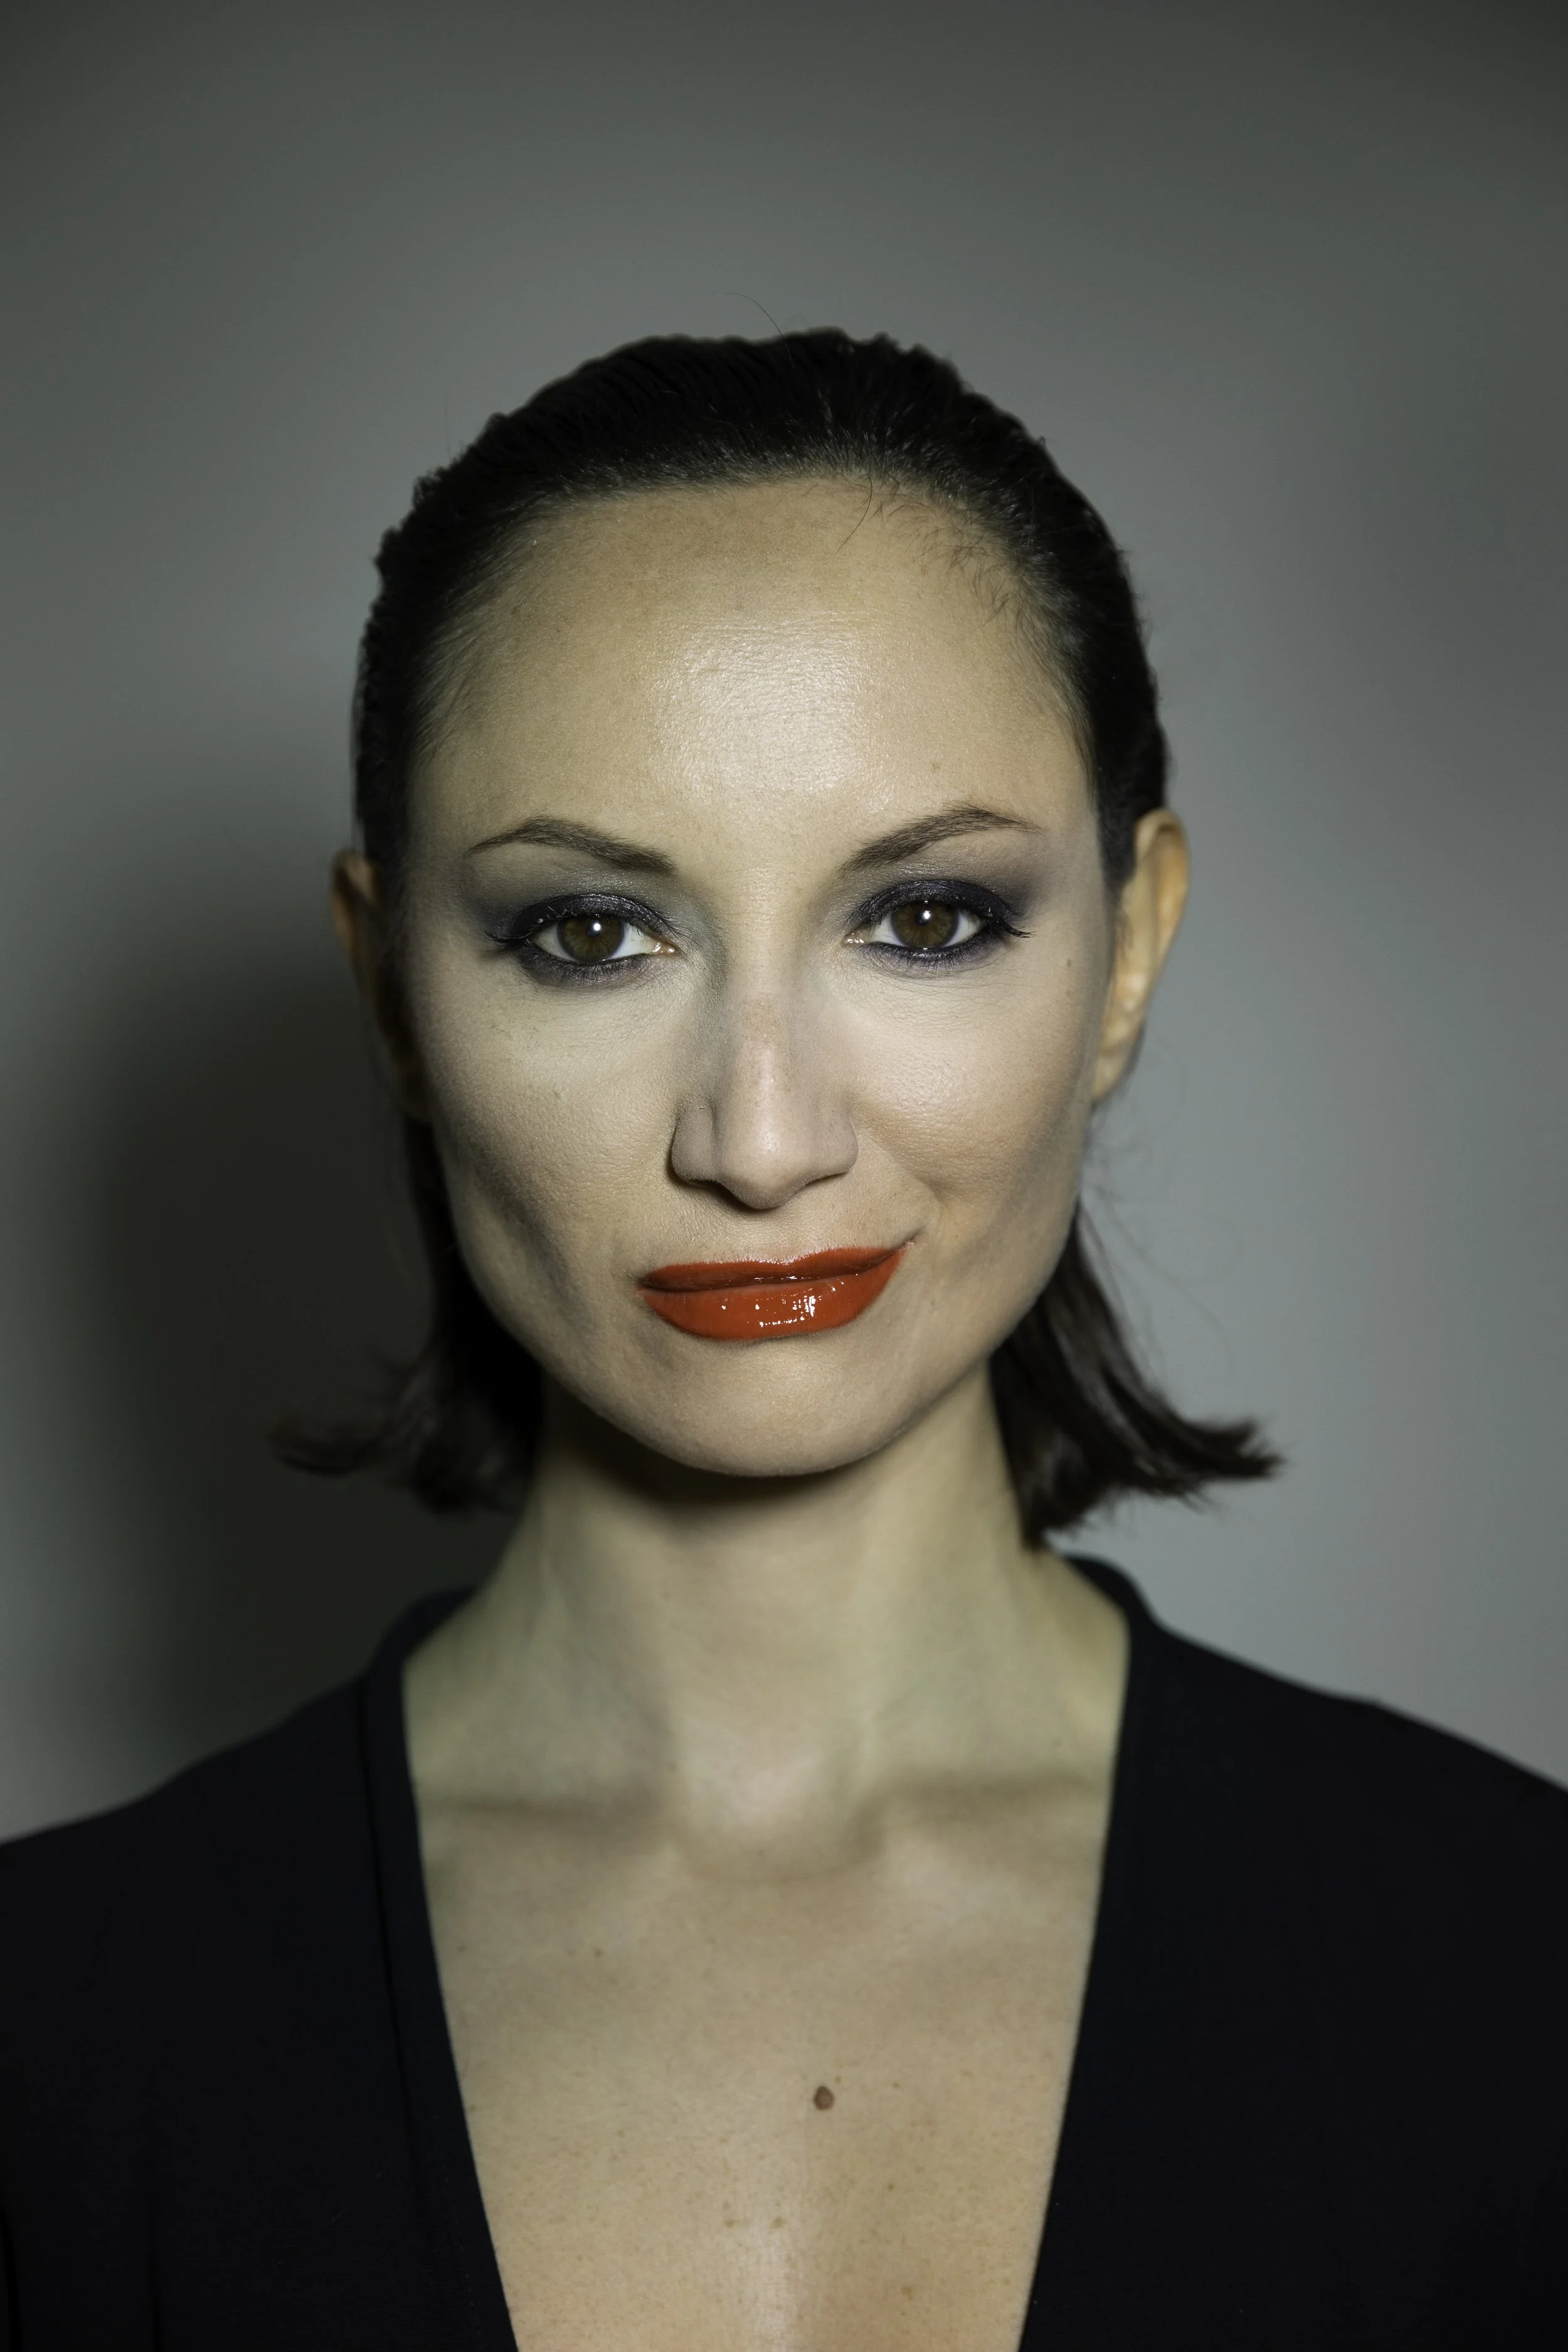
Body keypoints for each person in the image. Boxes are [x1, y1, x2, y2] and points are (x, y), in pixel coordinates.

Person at [0, 332, 1563, 2351]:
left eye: (923, 917)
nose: (759, 1138)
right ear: (393, 993)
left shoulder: (1516, 1969)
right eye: (588, 932)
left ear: (1128, 950)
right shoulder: (47, 2035)